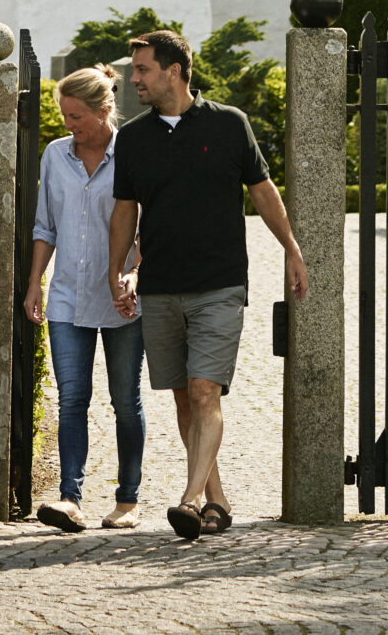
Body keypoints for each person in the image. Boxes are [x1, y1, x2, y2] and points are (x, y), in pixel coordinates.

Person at [108, 27, 308, 542]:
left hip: (220, 284)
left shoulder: (229, 124)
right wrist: (117, 271)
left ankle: (189, 499)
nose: (135, 79)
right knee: (183, 398)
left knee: (204, 391)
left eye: (143, 69)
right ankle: (216, 501)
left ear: (173, 71)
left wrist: (291, 248)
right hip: (159, 286)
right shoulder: (132, 138)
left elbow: (262, 191)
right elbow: (125, 210)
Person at [23, 65, 146, 532]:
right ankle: (69, 498)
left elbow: (148, 226)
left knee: (125, 401)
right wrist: (35, 283)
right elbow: (45, 226)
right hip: (67, 297)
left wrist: (134, 274)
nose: (68, 124)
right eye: (64, 115)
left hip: (122, 298)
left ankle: (127, 501)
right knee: (72, 399)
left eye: (75, 115)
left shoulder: (132, 152)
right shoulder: (55, 155)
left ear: (103, 109)